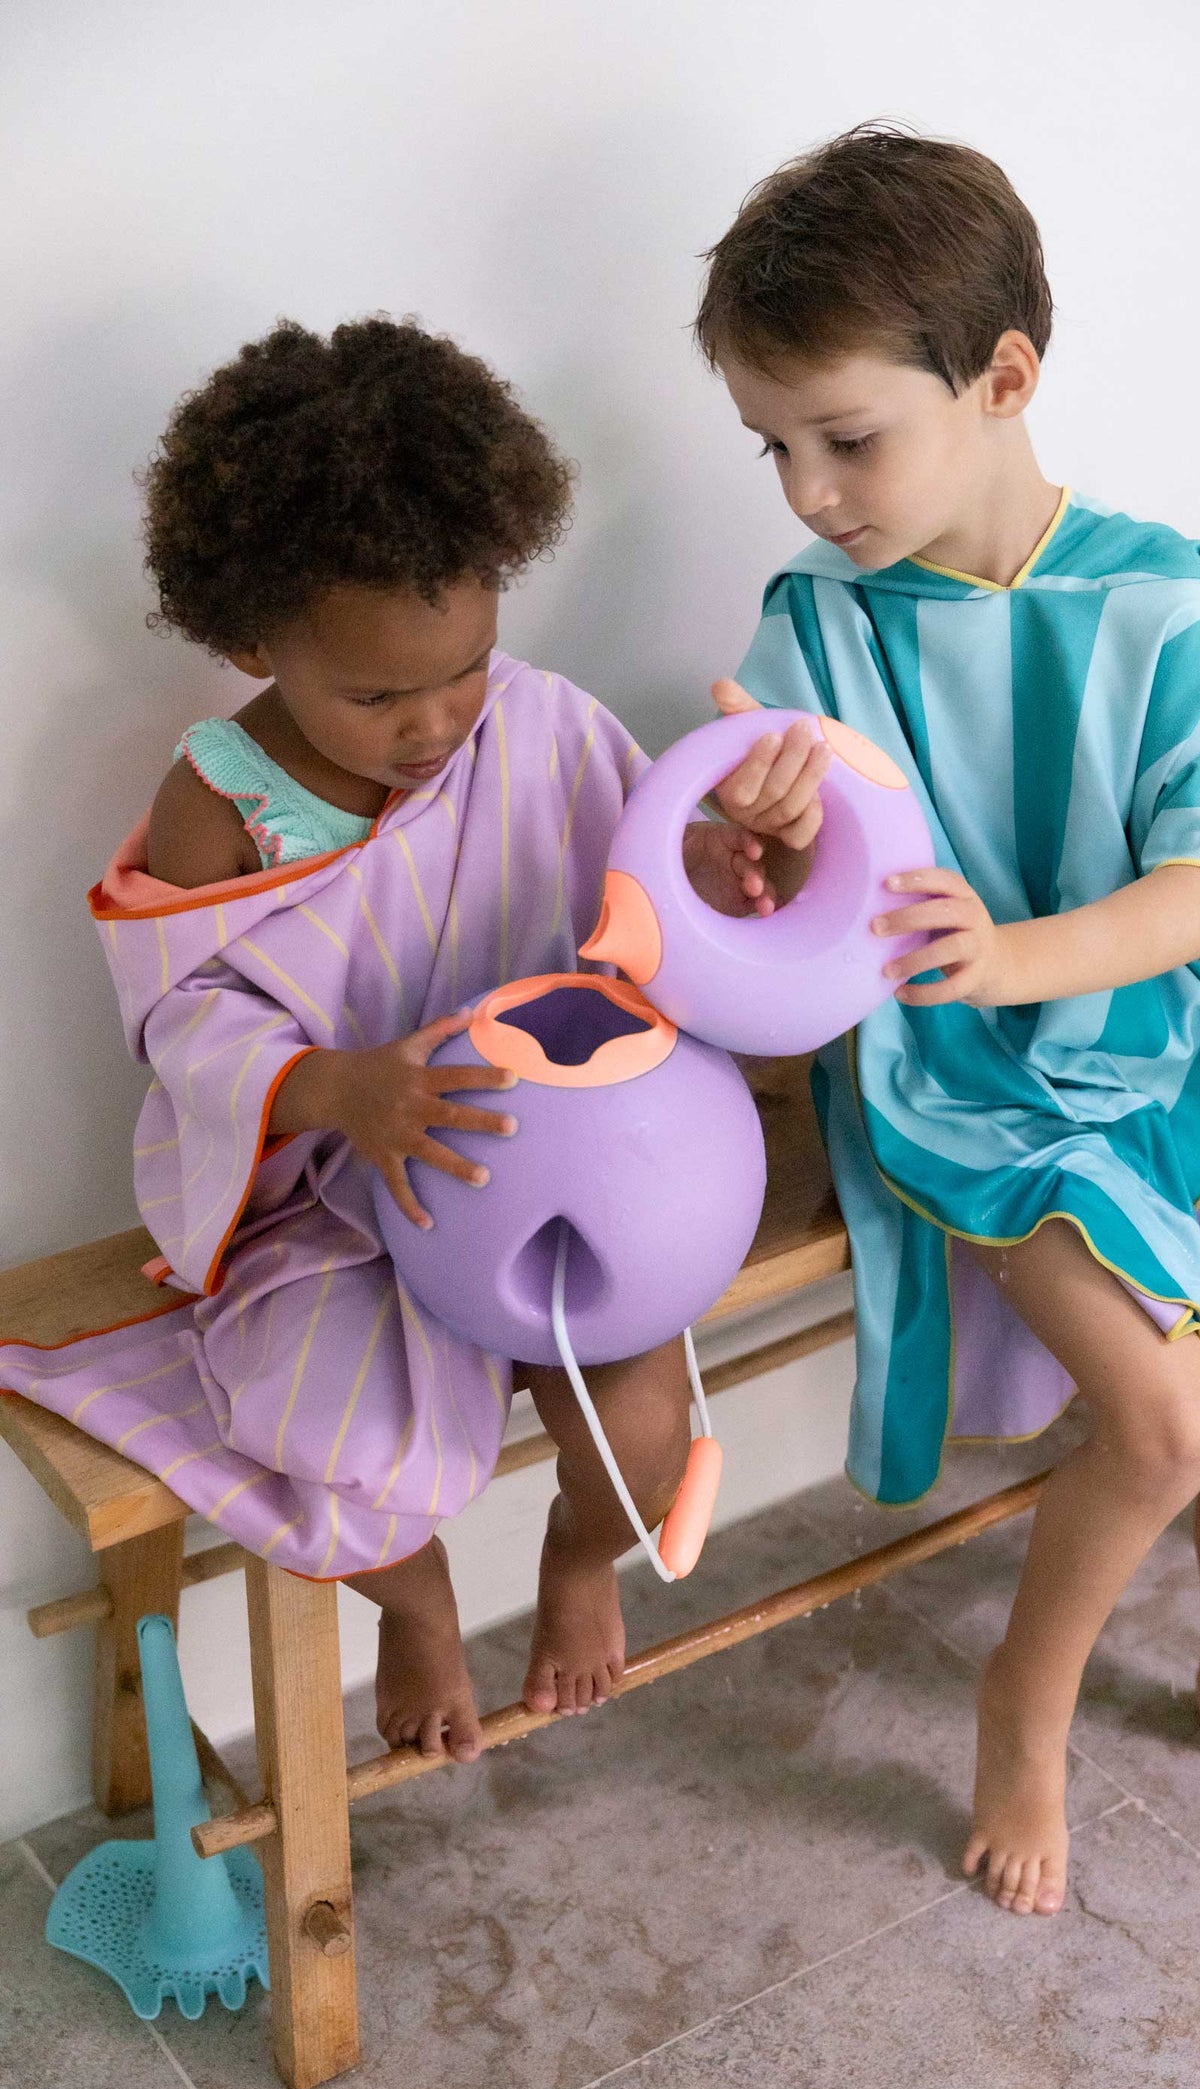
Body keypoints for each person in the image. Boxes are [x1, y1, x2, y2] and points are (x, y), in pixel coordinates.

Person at [696, 123, 1200, 1916]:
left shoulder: (1151, 593)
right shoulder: (814, 632)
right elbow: (771, 915)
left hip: (1154, 1037)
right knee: (1167, 1425)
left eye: (843, 438)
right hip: (962, 1078)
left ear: (1003, 378)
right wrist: (754, 842)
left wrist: (1024, 955)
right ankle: (1020, 1710)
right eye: (772, 447)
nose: (806, 491)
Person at [0, 317, 827, 1757]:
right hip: (343, 1192)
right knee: (330, 1451)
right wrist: (334, 1088)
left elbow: (629, 887)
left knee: (640, 1426)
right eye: (376, 695)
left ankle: (577, 1561)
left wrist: (704, 869)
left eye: (464, 668)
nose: (435, 723)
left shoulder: (541, 725)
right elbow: (185, 1017)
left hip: (557, 1164)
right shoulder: (224, 800)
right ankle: (421, 1602)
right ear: (252, 642)